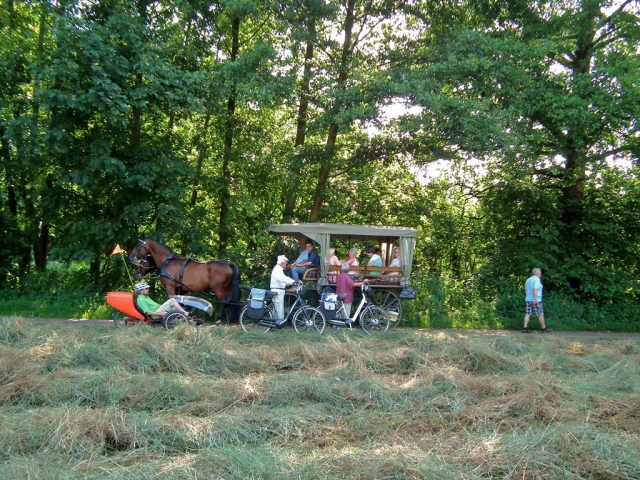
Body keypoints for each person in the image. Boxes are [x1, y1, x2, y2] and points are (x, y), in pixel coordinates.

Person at [523, 268, 552, 333]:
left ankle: (525, 328)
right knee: (540, 314)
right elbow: (535, 289)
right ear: (538, 273)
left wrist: (529, 297)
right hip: (536, 300)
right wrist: (535, 299)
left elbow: (526, 289)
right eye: (540, 273)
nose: (541, 274)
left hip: (528, 299)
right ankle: (543, 329)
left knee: (528, 313)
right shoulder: (537, 279)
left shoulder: (528, 280)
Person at [271, 255, 296, 325]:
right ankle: (280, 324)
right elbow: (283, 278)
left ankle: (276, 324)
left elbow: (283, 281)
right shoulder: (278, 269)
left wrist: (291, 282)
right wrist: (293, 281)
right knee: (279, 308)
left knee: (278, 308)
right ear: (282, 262)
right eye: (285, 263)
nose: (286, 264)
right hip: (277, 291)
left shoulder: (278, 269)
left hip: (278, 290)